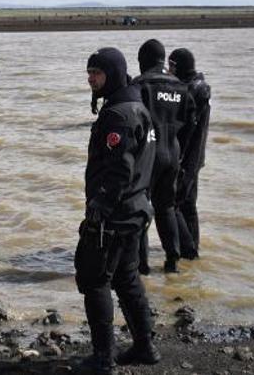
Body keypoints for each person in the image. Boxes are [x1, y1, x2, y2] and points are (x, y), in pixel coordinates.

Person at [75, 47, 160, 374]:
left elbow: (120, 170)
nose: (90, 78)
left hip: (115, 216)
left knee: (94, 279)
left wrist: (100, 208)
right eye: (89, 72)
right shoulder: (136, 106)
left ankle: (102, 358)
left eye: (96, 73)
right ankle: (145, 347)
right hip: (136, 210)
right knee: (126, 279)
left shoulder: (119, 114)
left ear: (112, 73)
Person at [132, 39, 196, 273]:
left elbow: (134, 120)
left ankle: (142, 266)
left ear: (143, 61)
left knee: (141, 208)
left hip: (149, 155)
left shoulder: (141, 84)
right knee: (166, 207)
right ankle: (172, 261)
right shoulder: (181, 86)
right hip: (173, 152)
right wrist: (181, 151)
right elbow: (191, 123)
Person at [169, 48, 211, 259]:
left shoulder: (192, 91)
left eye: (172, 66)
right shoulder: (198, 87)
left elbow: (185, 129)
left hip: (187, 159)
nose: (169, 70)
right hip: (195, 158)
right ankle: (191, 249)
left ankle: (188, 252)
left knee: (174, 204)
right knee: (188, 206)